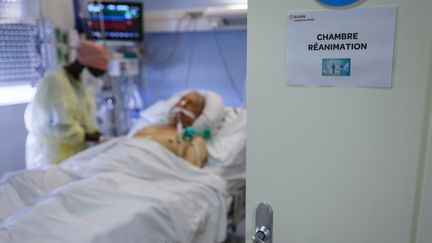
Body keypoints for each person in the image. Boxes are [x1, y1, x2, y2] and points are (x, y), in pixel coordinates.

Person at [25, 40, 110, 169]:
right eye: (96, 74)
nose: (97, 79)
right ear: (83, 65)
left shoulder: (82, 86)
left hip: (75, 155)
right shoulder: (55, 81)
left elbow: (87, 118)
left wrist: (96, 134)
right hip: (53, 155)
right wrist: (91, 137)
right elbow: (61, 126)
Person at [133, 91, 209, 168]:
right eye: (181, 100)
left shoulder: (194, 140)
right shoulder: (152, 126)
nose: (182, 104)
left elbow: (189, 173)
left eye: (190, 103)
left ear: (198, 115)